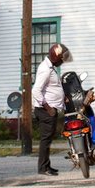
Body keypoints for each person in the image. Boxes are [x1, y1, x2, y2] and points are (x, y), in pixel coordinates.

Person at [31, 43, 70, 176]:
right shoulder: (45, 69)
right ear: (55, 56)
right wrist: (48, 108)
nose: (62, 61)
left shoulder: (50, 68)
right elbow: (36, 90)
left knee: (48, 139)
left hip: (50, 109)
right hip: (45, 110)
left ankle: (47, 165)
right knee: (45, 140)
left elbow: (52, 88)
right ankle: (43, 168)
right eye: (61, 58)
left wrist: (63, 98)